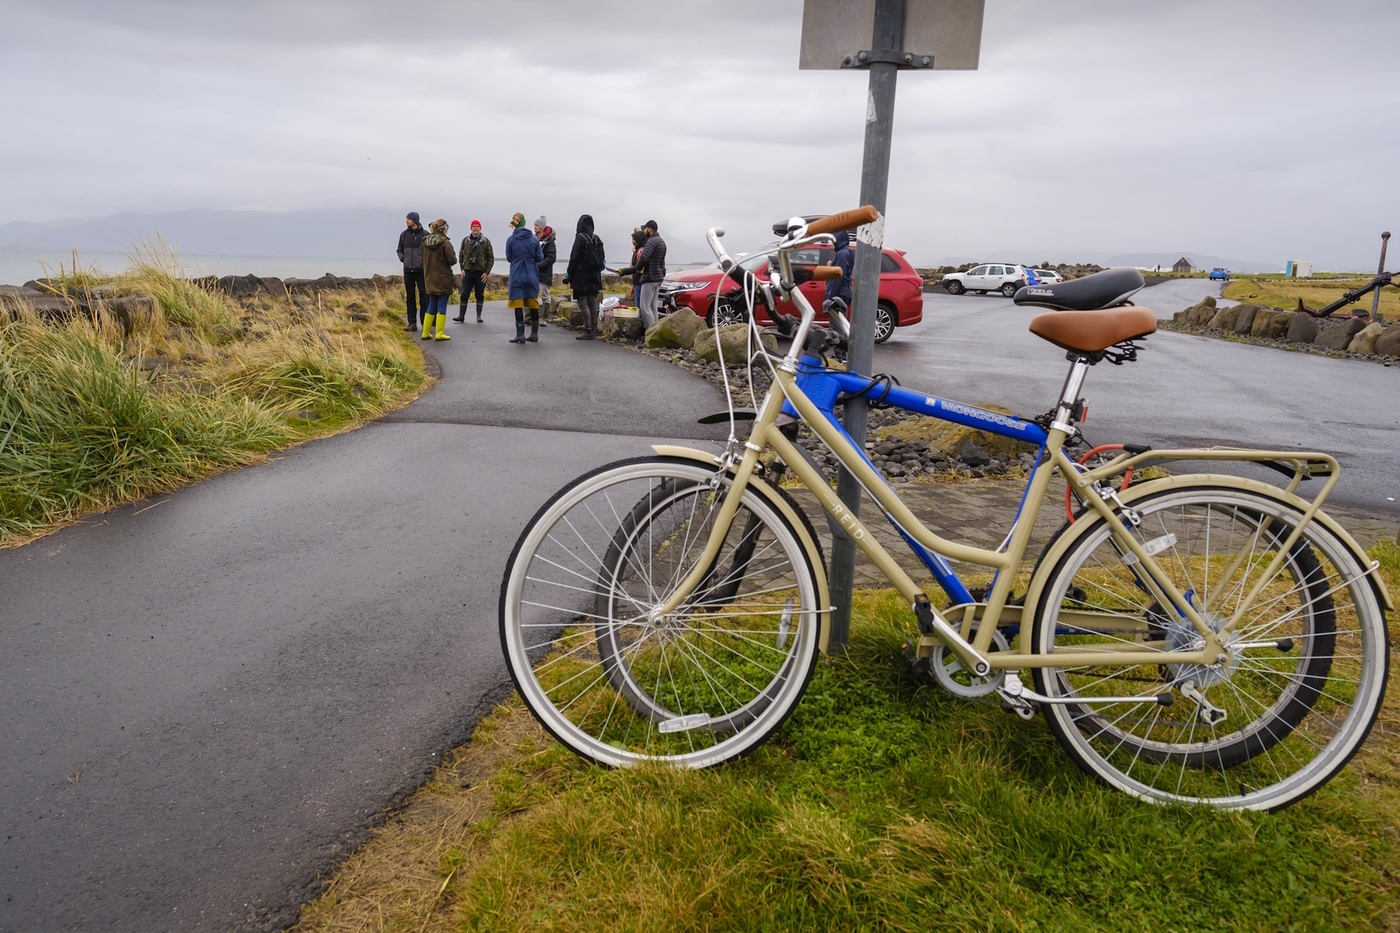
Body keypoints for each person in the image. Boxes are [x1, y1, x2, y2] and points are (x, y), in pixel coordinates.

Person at [564, 213, 605, 340]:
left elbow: (574, 257)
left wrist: (569, 275)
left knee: (582, 301)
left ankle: (588, 329)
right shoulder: (597, 238)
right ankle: (592, 327)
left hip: (581, 274)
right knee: (592, 300)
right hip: (595, 274)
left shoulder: (580, 238)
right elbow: (602, 257)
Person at [505, 212, 544, 344]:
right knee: (533, 304)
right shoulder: (534, 239)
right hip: (531, 273)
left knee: (518, 304)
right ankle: (534, 334)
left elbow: (509, 258)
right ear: (524, 223)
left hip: (517, 273)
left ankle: (520, 335)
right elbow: (540, 257)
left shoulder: (511, 240)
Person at [420, 218, 457, 341]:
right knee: (441, 305)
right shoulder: (445, 243)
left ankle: (425, 332)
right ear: (444, 230)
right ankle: (439, 333)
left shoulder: (424, 241)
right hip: (443, 278)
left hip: (429, 278)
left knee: (431, 304)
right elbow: (452, 260)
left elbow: (422, 257)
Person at [454, 219, 494, 323]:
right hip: (468, 272)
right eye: (474, 226)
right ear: (471, 228)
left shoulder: (485, 241)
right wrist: (462, 268)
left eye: (477, 226)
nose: (475, 228)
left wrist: (487, 272)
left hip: (480, 273)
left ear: (480, 228)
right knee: (464, 294)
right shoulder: (465, 240)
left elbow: (491, 258)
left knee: (479, 294)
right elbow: (461, 255)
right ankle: (461, 316)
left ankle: (479, 316)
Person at [397, 212, 428, 331]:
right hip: (408, 270)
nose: (406, 221)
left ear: (414, 220)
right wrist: (403, 258)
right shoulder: (404, 235)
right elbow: (399, 249)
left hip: (421, 271)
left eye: (408, 219)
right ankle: (412, 323)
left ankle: (425, 322)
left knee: (424, 296)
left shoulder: (425, 235)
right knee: (410, 297)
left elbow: (429, 251)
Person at [634, 219, 667, 329]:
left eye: (645, 229)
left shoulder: (651, 241)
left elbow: (644, 257)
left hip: (650, 277)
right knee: (653, 307)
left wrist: (637, 268)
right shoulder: (661, 242)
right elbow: (662, 261)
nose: (644, 231)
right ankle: (656, 331)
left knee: (644, 307)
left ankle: (650, 332)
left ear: (650, 229)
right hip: (658, 278)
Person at [613, 228, 648, 309]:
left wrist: (624, 271)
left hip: (639, 282)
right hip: (637, 282)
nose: (632, 241)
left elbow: (638, 269)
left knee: (640, 307)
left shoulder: (640, 251)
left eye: (634, 239)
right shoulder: (638, 250)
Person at [533, 216, 556, 320]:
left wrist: (538, 265)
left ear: (542, 227)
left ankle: (543, 318)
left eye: (537, 225)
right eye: (534, 225)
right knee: (531, 294)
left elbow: (551, 258)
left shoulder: (550, 242)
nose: (535, 227)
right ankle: (530, 317)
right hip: (533, 272)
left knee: (544, 295)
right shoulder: (533, 240)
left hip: (544, 273)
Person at [825, 229, 854, 307]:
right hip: (842, 292)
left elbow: (838, 276)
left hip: (839, 294)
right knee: (837, 317)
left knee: (836, 317)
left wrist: (830, 296)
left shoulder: (842, 254)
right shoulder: (845, 252)